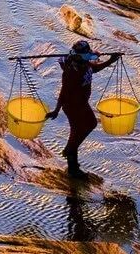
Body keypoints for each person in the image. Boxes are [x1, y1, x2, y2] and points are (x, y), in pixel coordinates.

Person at [46, 40, 120, 178]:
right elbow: (63, 92)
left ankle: (72, 163)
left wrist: (110, 60)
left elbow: (94, 68)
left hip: (82, 103)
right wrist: (56, 110)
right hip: (72, 105)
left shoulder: (83, 62)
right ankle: (70, 155)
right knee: (85, 126)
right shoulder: (71, 72)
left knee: (82, 128)